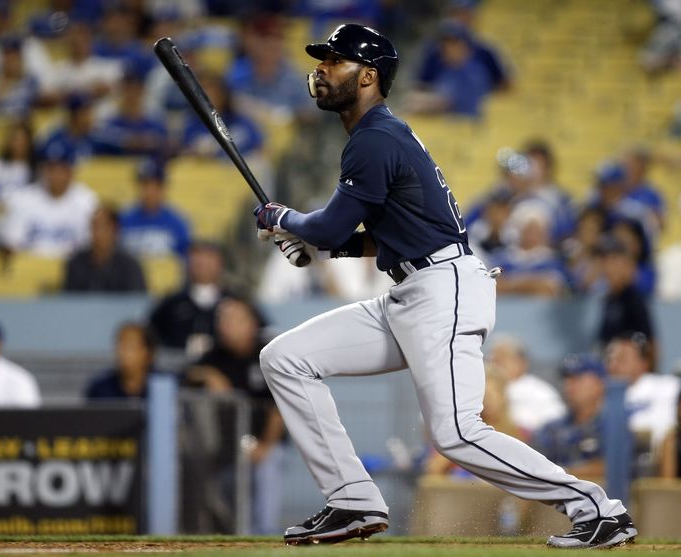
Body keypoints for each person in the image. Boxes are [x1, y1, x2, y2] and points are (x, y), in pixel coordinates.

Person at [253, 24, 636, 548]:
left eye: (334, 62)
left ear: (367, 77)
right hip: (414, 286)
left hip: (442, 288)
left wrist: (283, 218)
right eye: (322, 61)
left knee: (457, 433)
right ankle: (351, 499)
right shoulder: (380, 137)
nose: (321, 69)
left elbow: (326, 225)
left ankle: (597, 509)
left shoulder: (376, 139)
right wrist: (319, 242)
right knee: (285, 358)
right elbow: (384, 237)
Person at [185, 297, 285, 534]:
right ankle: (232, 537)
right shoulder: (214, 356)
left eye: (233, 319)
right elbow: (187, 374)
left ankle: (265, 535)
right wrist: (208, 374)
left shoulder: (267, 353)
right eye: (222, 319)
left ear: (251, 324)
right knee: (218, 496)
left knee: (267, 470)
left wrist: (264, 445)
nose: (225, 325)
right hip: (227, 453)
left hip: (264, 446)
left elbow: (278, 407)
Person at [1, 140, 98, 258]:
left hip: (72, 272)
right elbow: (11, 244)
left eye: (61, 168)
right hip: (30, 269)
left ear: (71, 171)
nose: (55, 174)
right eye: (50, 168)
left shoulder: (88, 201)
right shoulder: (24, 198)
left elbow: (90, 249)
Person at [148, 241, 233, 371]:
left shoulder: (236, 304)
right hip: (176, 372)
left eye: (208, 257)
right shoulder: (170, 304)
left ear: (220, 262)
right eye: (197, 257)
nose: (202, 263)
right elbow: (149, 338)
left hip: (225, 373)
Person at [605, 332, 680, 462]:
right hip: (616, 458)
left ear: (643, 362)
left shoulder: (668, 386)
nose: (614, 365)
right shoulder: (602, 393)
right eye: (611, 359)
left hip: (659, 458)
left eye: (622, 358)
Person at [532, 355, 609, 479]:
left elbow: (616, 467)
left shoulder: (614, 427)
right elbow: (533, 469)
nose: (568, 386)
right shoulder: (551, 429)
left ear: (600, 383)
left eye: (577, 378)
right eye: (566, 379)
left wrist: (563, 474)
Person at [486, 336, 565, 437]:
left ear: (521, 362)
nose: (496, 364)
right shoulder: (483, 390)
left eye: (503, 358)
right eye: (494, 359)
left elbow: (556, 430)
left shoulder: (541, 392)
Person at [119, 158, 191, 259]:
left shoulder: (177, 221)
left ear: (163, 188)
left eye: (155, 186)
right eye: (145, 185)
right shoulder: (124, 219)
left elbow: (184, 258)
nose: (149, 191)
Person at [64, 205, 147, 293]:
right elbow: (70, 302)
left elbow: (137, 303)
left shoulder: (130, 266)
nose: (96, 233)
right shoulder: (76, 264)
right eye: (93, 227)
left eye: (101, 226)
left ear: (115, 230)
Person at [596, 237, 654, 354]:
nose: (608, 267)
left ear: (627, 264)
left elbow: (650, 345)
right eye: (605, 261)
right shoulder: (609, 299)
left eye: (614, 260)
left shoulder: (633, 299)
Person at [85, 322, 157, 399]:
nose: (122, 352)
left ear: (147, 352)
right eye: (120, 345)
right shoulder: (99, 389)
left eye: (130, 346)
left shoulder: (164, 385)